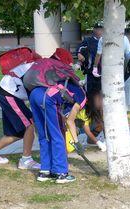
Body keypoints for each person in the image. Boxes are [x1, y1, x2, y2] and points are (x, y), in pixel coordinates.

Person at [27, 48, 87, 184]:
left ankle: (45, 171)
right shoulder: (82, 96)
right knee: (57, 134)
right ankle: (61, 173)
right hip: (47, 98)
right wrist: (76, 142)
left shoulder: (56, 74)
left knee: (44, 135)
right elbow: (70, 121)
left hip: (35, 94)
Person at [0, 62, 40, 170]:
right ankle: (26, 160)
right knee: (29, 124)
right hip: (9, 93)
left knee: (17, 132)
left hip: (8, 92)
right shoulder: (38, 69)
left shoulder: (37, 65)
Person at [76, 23, 103, 94]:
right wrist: (79, 53)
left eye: (101, 29)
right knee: (90, 92)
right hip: (90, 71)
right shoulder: (88, 40)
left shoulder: (106, 41)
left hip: (103, 71)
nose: (99, 31)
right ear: (94, 30)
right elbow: (80, 49)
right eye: (97, 29)